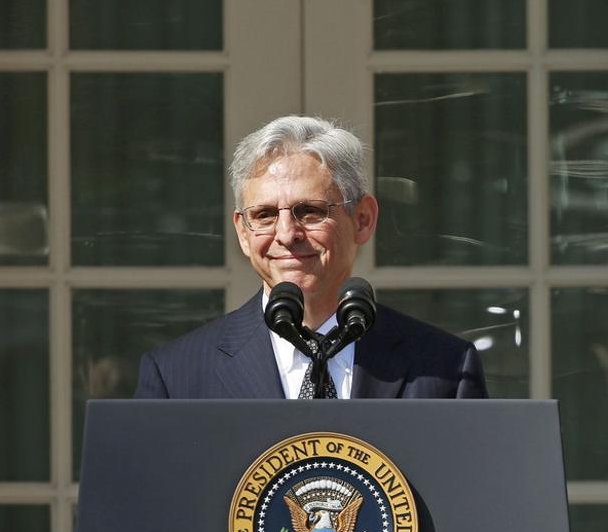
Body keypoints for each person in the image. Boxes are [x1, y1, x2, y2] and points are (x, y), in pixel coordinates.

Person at [135, 115, 487, 400]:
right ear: (243, 232)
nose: (287, 234)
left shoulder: (446, 368)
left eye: (309, 211)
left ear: (362, 219)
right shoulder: (175, 378)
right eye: (265, 215)